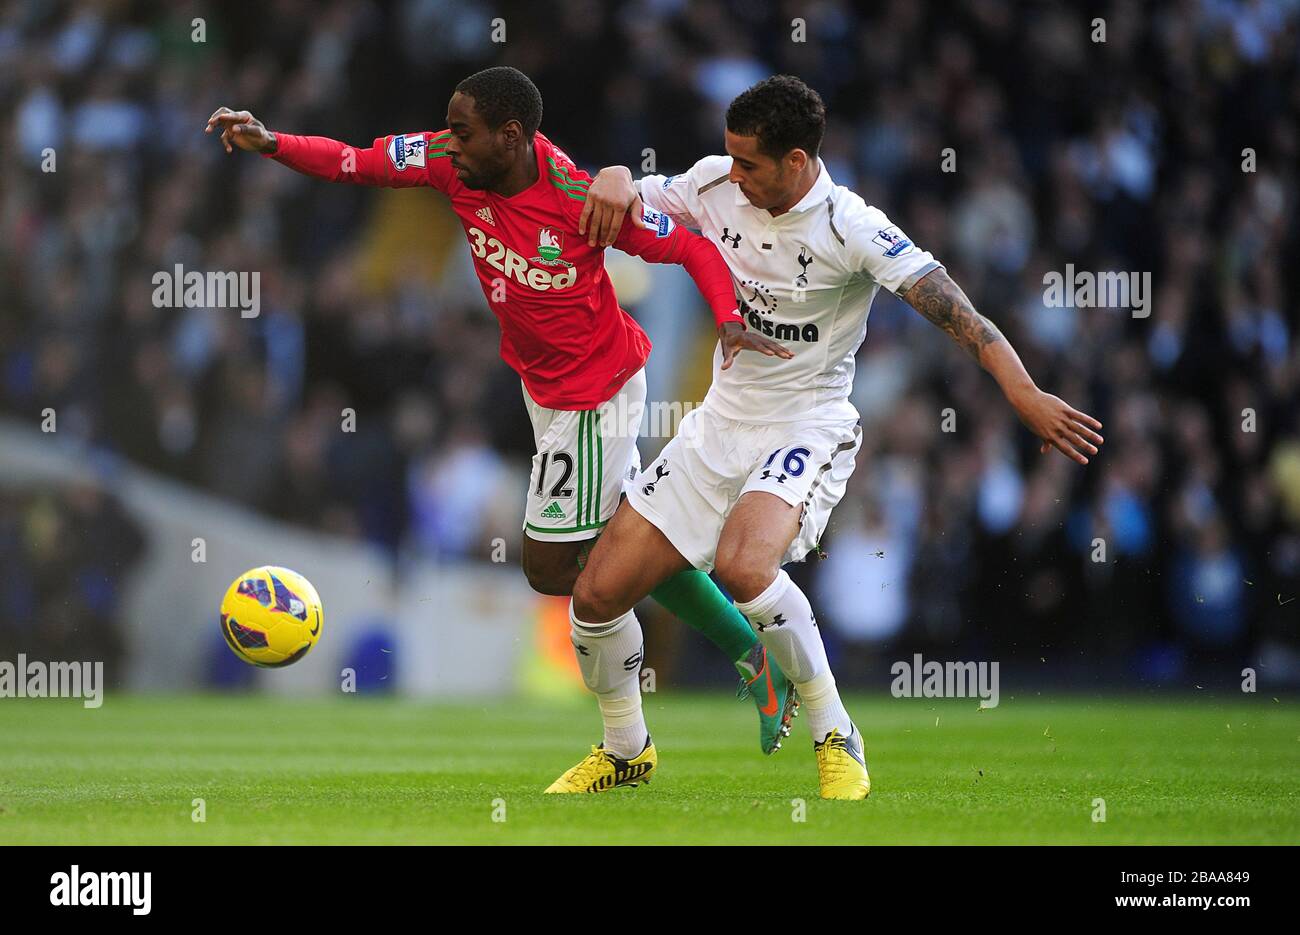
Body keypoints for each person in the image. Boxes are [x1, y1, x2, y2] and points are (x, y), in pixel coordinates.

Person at [206, 66, 800, 764]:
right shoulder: (448, 163)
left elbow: (693, 246)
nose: (448, 144)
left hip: (596, 391)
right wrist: (273, 141)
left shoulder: (582, 198)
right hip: (541, 386)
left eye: (463, 132)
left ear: (511, 136)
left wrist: (727, 319)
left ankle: (640, 733)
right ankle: (745, 653)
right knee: (620, 543)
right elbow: (354, 162)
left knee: (550, 569)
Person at [552, 75, 1104, 798]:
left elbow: (957, 312)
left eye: (749, 162)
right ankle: (627, 750)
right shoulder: (715, 183)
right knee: (594, 595)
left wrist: (1022, 391)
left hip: (806, 423)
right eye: (730, 157)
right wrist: (618, 174)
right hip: (718, 422)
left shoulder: (851, 226)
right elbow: (625, 193)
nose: (733, 173)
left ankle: (834, 729)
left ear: (796, 162)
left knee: (744, 568)